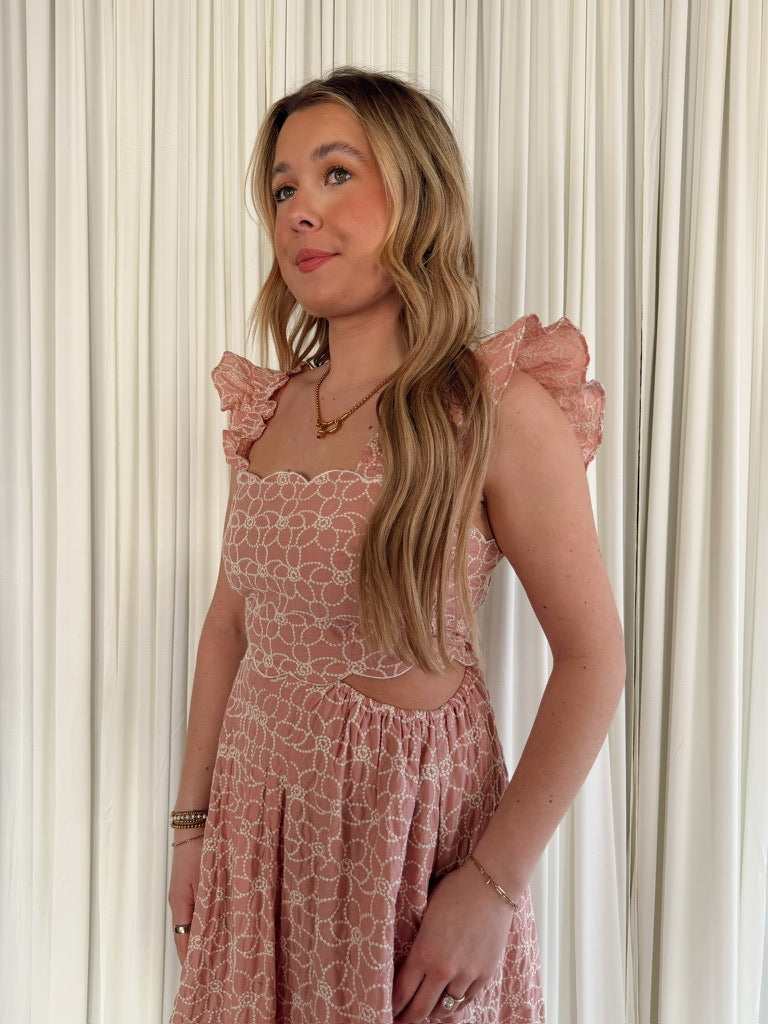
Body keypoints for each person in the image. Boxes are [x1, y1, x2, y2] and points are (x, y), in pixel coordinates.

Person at [168, 67, 624, 1024]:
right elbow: (228, 623)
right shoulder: (270, 408)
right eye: (284, 188)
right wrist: (193, 830)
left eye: (337, 174)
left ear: (417, 193)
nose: (299, 211)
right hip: (257, 839)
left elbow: (592, 661)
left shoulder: (493, 410)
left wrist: (492, 885)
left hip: (406, 853)